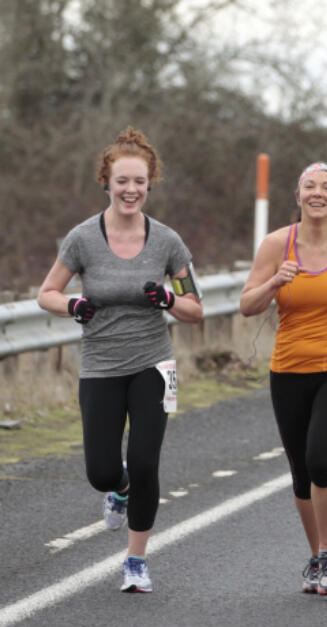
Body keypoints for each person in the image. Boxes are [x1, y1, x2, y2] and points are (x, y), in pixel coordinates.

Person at [36, 126, 203, 593]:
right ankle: (119, 489)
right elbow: (45, 293)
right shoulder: (82, 239)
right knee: (102, 471)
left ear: (151, 184)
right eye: (122, 181)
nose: (131, 190)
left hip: (153, 364)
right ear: (106, 182)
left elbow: (195, 308)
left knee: (147, 463)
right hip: (101, 365)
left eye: (140, 182)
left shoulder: (168, 242)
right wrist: (72, 305)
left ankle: (135, 560)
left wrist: (167, 298)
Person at [239, 162, 327, 595]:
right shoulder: (275, 246)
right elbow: (246, 305)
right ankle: (318, 558)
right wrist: (274, 284)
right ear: (298, 196)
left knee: (321, 459)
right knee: (301, 472)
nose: (317, 193)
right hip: (288, 372)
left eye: (326, 187)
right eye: (309, 186)